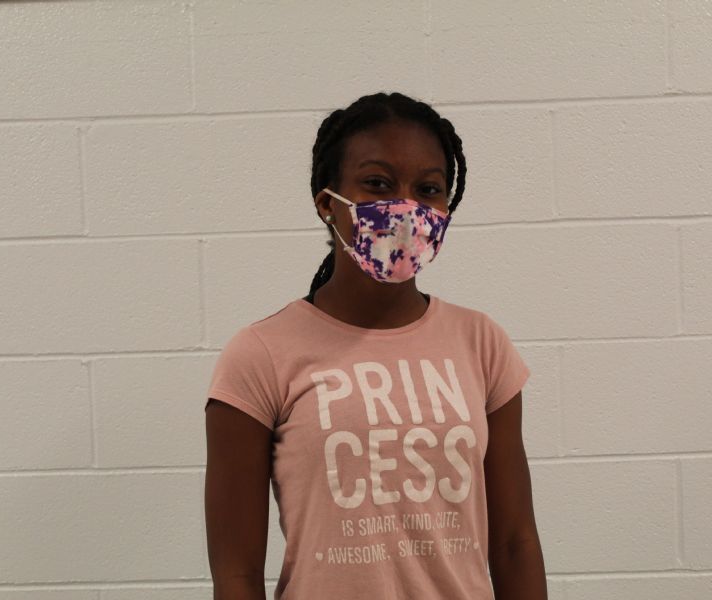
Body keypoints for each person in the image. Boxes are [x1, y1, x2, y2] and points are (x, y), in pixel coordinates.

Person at [204, 91, 546, 600]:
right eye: (378, 184)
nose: (406, 207)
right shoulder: (260, 355)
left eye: (428, 189)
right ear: (327, 203)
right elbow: (236, 574)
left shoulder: (481, 343)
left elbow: (515, 543)